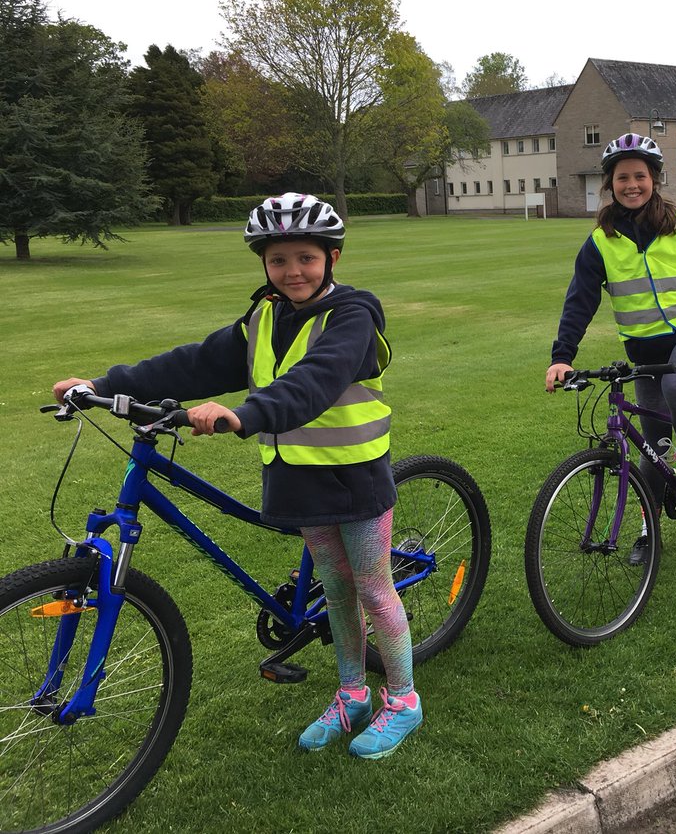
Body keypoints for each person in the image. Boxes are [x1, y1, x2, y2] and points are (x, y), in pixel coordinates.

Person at [52, 193, 421, 760]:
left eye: (306, 257)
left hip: (356, 477)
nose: (293, 271)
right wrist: (102, 385)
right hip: (298, 477)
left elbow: (316, 380)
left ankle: (403, 699)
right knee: (336, 589)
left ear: (332, 258)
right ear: (263, 265)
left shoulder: (353, 315)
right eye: (278, 260)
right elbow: (193, 363)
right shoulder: (262, 316)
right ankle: (351, 693)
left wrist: (243, 414)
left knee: (372, 586)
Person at [545, 133, 676, 515]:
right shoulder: (601, 241)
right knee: (654, 447)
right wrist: (562, 356)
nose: (632, 185)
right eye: (622, 178)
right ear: (610, 185)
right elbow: (580, 300)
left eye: (640, 176)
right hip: (645, 348)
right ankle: (650, 533)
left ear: (654, 180)